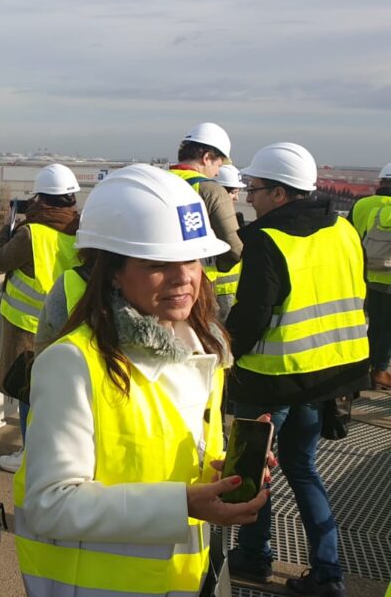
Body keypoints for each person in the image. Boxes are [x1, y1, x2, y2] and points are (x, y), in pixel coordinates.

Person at [15, 164, 268, 597]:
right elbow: (49, 505)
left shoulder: (201, 352)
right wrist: (183, 503)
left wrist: (225, 473)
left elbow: (167, 459)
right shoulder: (73, 363)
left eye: (192, 259)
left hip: (186, 581)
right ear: (113, 270)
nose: (183, 277)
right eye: (158, 264)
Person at [226, 142, 369, 597]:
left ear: (280, 194)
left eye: (255, 188)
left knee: (251, 468)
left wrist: (224, 353)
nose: (250, 197)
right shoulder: (344, 229)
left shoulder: (267, 239)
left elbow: (252, 315)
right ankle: (328, 573)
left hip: (269, 379)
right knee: (302, 467)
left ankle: (254, 556)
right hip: (326, 375)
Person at [0, 163, 81, 473]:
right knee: (59, 392)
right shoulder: (80, 229)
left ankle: (30, 456)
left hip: (29, 329)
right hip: (69, 324)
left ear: (39, 198)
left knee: (28, 392)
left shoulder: (31, 234)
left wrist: (9, 223)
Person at [169, 122, 244, 275]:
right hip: (197, 279)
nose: (217, 173)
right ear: (207, 158)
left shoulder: (157, 181)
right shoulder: (211, 190)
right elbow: (234, 249)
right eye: (219, 165)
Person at [347, 162, 391, 388]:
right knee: (388, 328)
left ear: (381, 181)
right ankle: (380, 370)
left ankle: (366, 368)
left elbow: (348, 235)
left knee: (373, 324)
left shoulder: (362, 204)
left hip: (366, 275)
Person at [209, 164, 248, 318]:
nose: (236, 198)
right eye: (233, 192)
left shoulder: (233, 218)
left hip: (231, 292)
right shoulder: (211, 222)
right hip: (217, 293)